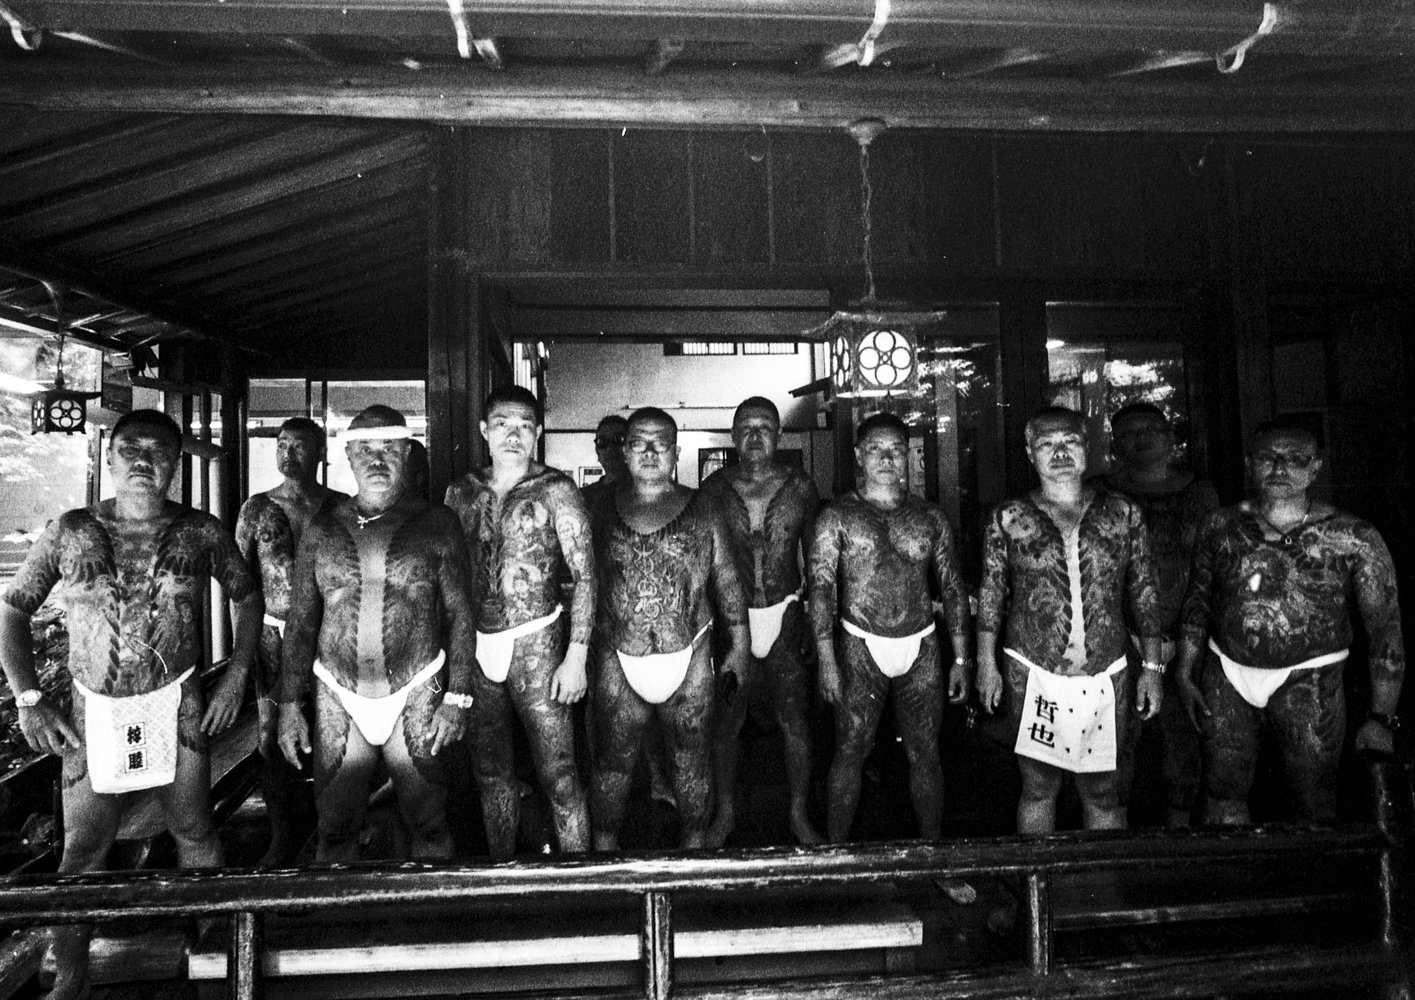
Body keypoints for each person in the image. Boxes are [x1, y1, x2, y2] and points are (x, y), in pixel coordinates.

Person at [0, 409, 261, 1000]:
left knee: (194, 829)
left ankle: (219, 963)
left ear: (177, 462)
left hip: (178, 701)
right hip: (93, 708)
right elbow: (14, 608)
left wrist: (237, 674)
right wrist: (28, 696)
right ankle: (69, 976)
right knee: (84, 849)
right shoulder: (70, 531)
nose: (143, 460)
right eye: (130, 449)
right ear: (110, 458)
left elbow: (246, 597)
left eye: (158, 450)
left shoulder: (202, 531)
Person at [1176, 420, 1405, 825]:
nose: (1280, 469)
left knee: (1314, 795)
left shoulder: (1353, 536)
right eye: (1268, 458)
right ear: (1250, 463)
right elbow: (1199, 599)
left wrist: (1382, 716)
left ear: (1316, 466)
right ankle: (1236, 879)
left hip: (1312, 675)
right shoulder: (1220, 525)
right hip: (1226, 670)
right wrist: (1185, 668)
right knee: (1222, 788)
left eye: (1296, 459)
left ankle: (1315, 883)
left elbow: (1385, 630)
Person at [277, 405, 475, 862]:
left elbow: (461, 615)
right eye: (365, 450)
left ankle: (429, 925)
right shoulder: (322, 527)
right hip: (337, 692)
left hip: (417, 688)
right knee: (335, 823)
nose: (377, 461)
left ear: (406, 454)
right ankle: (338, 929)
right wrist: (289, 703)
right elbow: (302, 621)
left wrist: (457, 697)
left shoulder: (438, 523)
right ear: (347, 456)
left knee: (428, 817)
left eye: (388, 449)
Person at [977, 406, 1163, 834]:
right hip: (1032, 668)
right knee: (1038, 786)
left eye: (1070, 442)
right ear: (1029, 452)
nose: (1059, 453)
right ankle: (1035, 889)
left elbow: (1144, 592)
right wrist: (985, 663)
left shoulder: (1124, 514)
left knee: (1102, 789)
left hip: (1107, 669)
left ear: (1087, 448)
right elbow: (990, 595)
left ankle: (1105, 890)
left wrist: (1152, 668)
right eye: (1047, 444)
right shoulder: (1007, 518)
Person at [444, 386, 595, 856]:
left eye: (525, 425)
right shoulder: (461, 491)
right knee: (491, 774)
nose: (514, 434)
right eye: (504, 424)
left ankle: (583, 883)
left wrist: (577, 656)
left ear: (537, 433)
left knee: (560, 773)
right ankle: (503, 877)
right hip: (477, 643)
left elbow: (587, 575)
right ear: (485, 431)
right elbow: (446, 577)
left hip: (539, 642)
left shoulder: (556, 490)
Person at [589, 407, 748, 850]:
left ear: (676, 451)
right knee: (613, 764)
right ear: (625, 449)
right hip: (618, 654)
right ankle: (604, 856)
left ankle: (693, 855)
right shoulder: (599, 508)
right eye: (640, 441)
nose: (651, 451)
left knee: (691, 761)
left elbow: (728, 579)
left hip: (691, 652)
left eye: (661, 442)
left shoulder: (704, 505)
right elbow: (584, 581)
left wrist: (738, 646)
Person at [810, 412, 971, 843]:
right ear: (860, 456)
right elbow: (821, 590)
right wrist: (826, 659)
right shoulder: (837, 516)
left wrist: (961, 657)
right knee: (850, 750)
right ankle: (837, 859)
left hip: (921, 644)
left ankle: (933, 855)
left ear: (908, 457)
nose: (886, 458)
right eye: (877, 450)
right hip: (859, 643)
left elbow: (952, 587)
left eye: (896, 450)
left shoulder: (930, 516)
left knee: (925, 753)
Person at [699, 396, 822, 846]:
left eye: (765, 427)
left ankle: (798, 813)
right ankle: (725, 813)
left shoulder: (800, 486)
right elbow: (703, 564)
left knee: (795, 719)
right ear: (733, 435)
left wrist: (812, 616)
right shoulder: (712, 490)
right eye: (746, 427)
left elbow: (817, 560)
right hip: (731, 621)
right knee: (726, 721)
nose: (755, 436)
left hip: (784, 612)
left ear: (779, 435)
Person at [1096, 402, 1219, 826]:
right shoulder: (1100, 495)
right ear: (1114, 445)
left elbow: (1212, 569)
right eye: (1129, 432)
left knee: (1183, 739)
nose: (1142, 438)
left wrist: (1188, 637)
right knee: (1116, 742)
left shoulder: (1201, 495)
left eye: (1151, 428)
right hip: (1117, 636)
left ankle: (1179, 835)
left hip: (1189, 634)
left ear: (1170, 436)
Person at [235, 417, 346, 865]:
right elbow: (241, 588)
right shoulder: (256, 509)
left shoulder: (340, 507)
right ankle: (284, 832)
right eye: (282, 445)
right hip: (272, 635)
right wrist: (241, 658)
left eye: (300, 446)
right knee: (271, 736)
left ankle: (329, 833)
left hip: (332, 632)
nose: (288, 453)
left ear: (320, 453)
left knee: (333, 733)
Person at [581, 414, 629, 509]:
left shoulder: (649, 494)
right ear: (597, 451)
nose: (610, 448)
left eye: (618, 440)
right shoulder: (583, 497)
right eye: (602, 442)